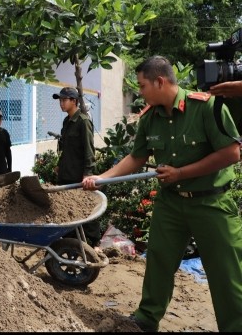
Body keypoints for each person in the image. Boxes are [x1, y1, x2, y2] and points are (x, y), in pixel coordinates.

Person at [81, 55, 242, 332]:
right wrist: (101, 178)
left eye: (142, 85)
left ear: (160, 81)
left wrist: (181, 173)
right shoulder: (150, 117)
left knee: (226, 270)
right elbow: (137, 157)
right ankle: (146, 318)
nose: (140, 91)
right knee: (158, 261)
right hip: (171, 203)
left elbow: (231, 153)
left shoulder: (205, 107)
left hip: (211, 201)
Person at [52, 86, 100, 248]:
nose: (61, 103)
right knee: (67, 210)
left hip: (79, 176)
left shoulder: (83, 122)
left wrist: (88, 174)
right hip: (66, 174)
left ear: (74, 101)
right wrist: (59, 165)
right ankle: (70, 241)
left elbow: (89, 150)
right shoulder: (67, 121)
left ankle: (92, 243)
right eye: (60, 100)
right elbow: (66, 149)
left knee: (84, 210)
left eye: (64, 100)